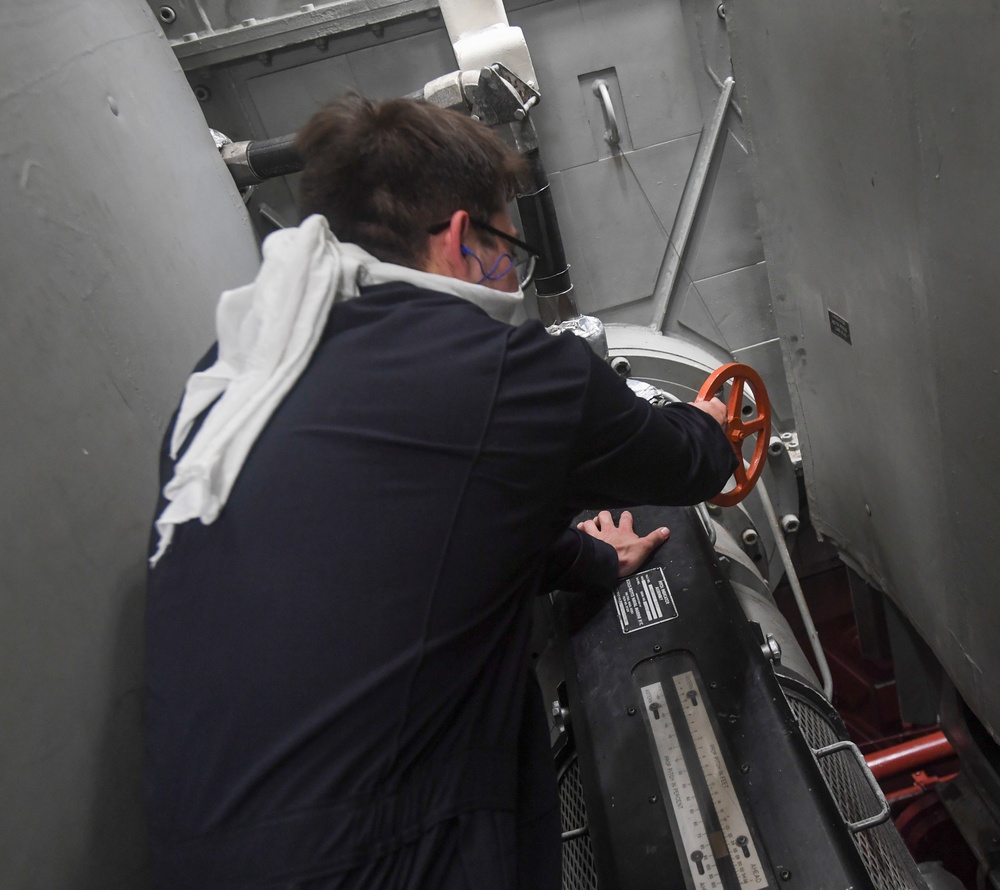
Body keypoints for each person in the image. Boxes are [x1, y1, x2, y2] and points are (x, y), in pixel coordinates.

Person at [144, 95, 736, 889]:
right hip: (385, 863)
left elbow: (395, 541)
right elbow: (689, 466)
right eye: (509, 247)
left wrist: (588, 562)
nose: (512, 275)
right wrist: (712, 423)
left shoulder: (233, 385)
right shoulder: (509, 374)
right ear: (464, 238)